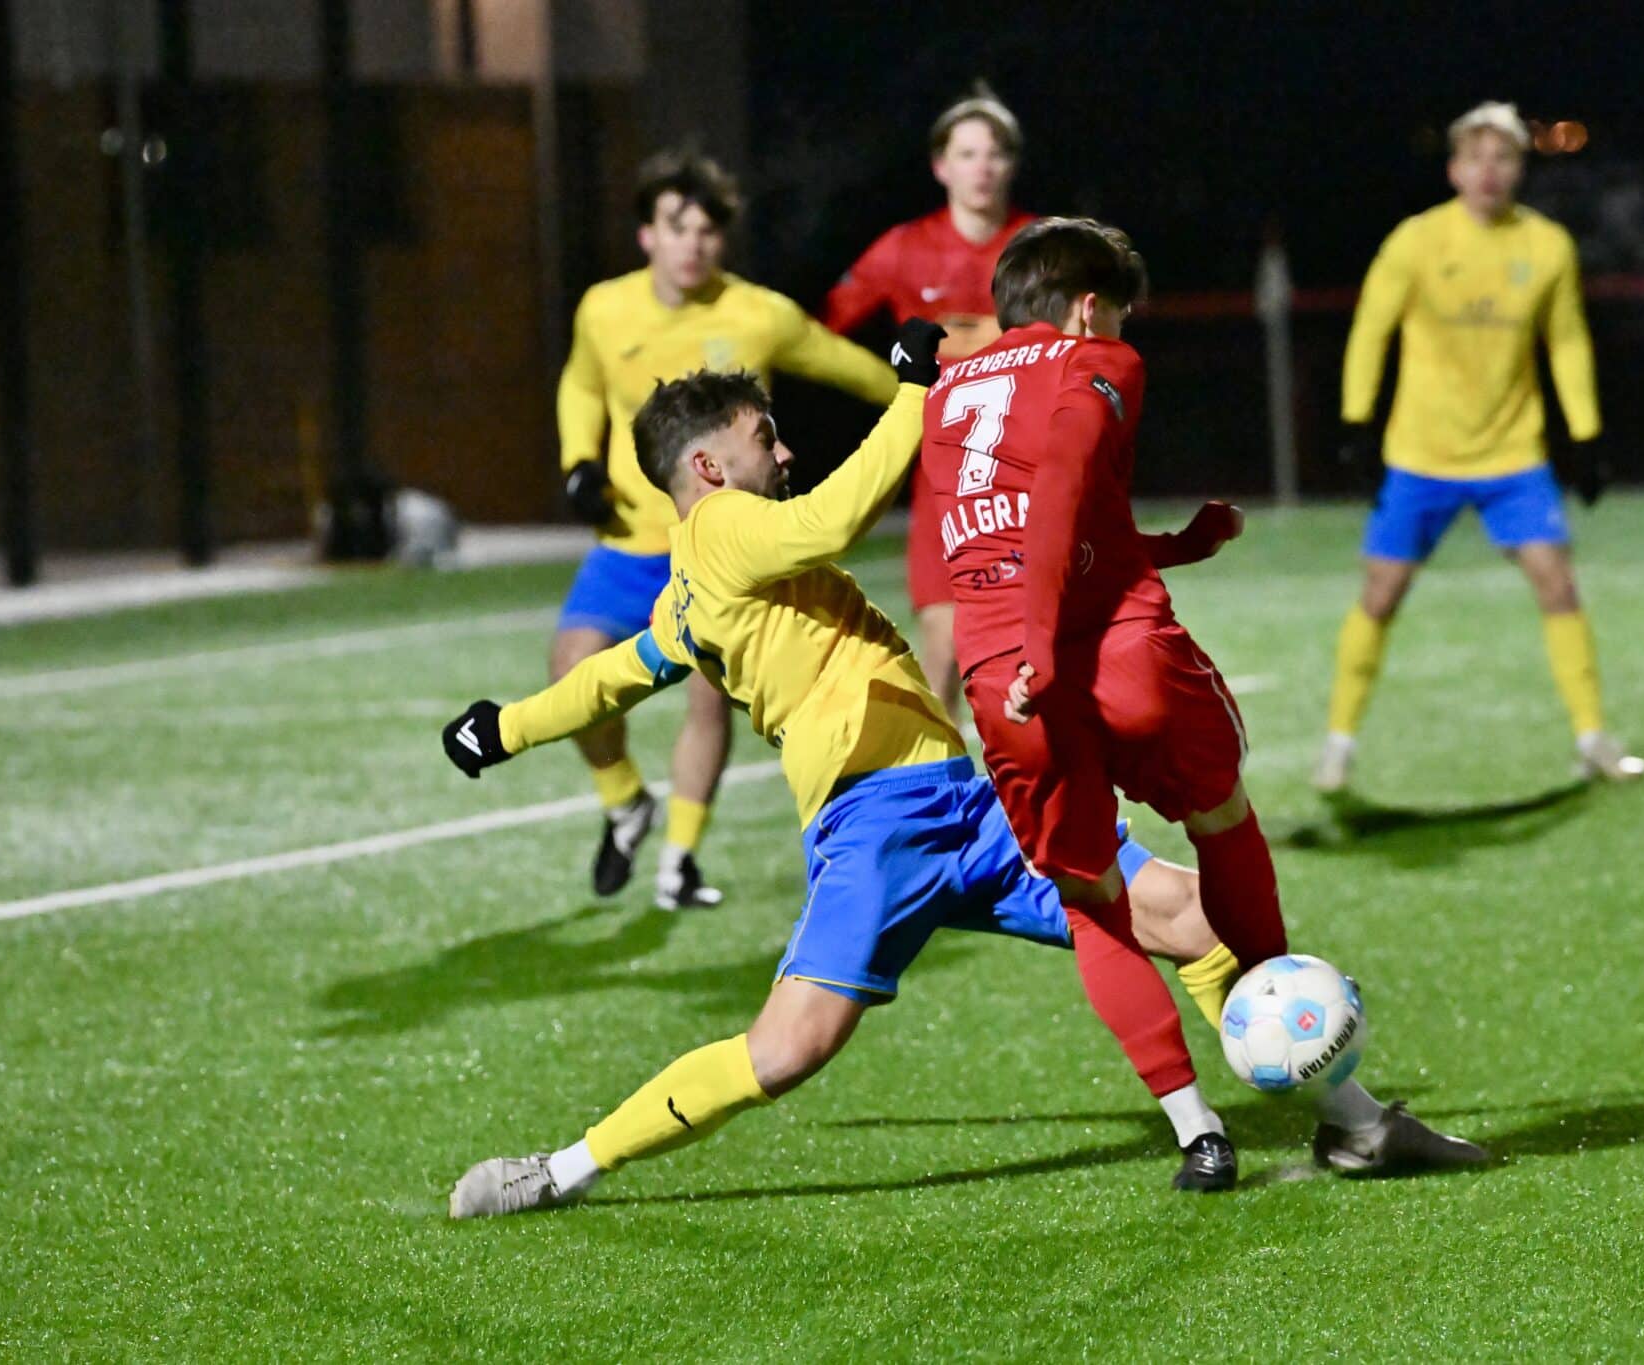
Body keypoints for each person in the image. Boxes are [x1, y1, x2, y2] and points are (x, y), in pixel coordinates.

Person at [441, 327, 1248, 1215]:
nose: (785, 452)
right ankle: (559, 1170)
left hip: (963, 802)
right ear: (708, 467)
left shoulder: (690, 594)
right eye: (764, 437)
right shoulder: (720, 527)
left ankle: (1291, 1100)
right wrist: (912, 393)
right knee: (784, 1050)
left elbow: (610, 676)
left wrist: (504, 728)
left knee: (1186, 916)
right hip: (877, 826)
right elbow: (833, 519)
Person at [919, 216, 1487, 1177]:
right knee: (1222, 822)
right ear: (1089, 307)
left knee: (1093, 904)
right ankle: (1343, 1113)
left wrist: (1172, 546)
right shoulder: (1097, 359)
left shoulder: (946, 396)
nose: (1124, 333)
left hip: (1000, 682)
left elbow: (1017, 534)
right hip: (1110, 652)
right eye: (1120, 315)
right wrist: (1051, 649)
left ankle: (1200, 1136)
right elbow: (1057, 488)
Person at [554, 150, 900, 910]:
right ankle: (624, 801)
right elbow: (580, 381)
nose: (693, 243)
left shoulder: (758, 314)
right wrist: (579, 460)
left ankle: (678, 857)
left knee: (710, 699)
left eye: (707, 230)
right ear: (647, 234)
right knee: (570, 672)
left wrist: (933, 391)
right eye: (677, 226)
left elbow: (849, 366)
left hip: (726, 548)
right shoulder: (603, 309)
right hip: (631, 539)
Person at [1315, 101, 1644, 792]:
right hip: (1421, 455)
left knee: (1558, 583)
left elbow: (1566, 341)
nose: (1489, 171)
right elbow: (1371, 330)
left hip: (1513, 455)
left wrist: (1586, 434)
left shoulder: (1546, 246)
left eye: (1504, 158)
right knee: (1381, 592)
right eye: (1476, 158)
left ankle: (1593, 737)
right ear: (1454, 169)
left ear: (1520, 169)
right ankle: (1338, 745)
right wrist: (1356, 425)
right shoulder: (1416, 241)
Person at [826, 84, 1037, 719]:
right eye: (967, 154)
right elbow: (821, 330)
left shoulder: (1040, 248)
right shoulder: (904, 249)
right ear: (941, 166)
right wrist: (887, 385)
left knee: (1030, 672)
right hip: (943, 481)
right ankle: (945, 783)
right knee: (943, 659)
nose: (982, 168)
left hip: (1030, 479)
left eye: (994, 153)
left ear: (1012, 164)